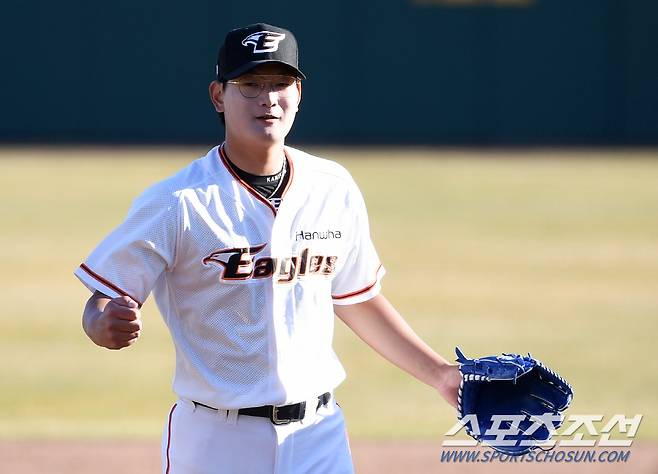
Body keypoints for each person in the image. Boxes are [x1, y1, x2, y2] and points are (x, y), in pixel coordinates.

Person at [75, 22, 461, 474]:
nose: (268, 98)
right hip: (217, 440)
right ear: (219, 96)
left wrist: (441, 374)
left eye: (280, 83)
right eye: (251, 84)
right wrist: (102, 321)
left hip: (319, 434)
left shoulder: (332, 187)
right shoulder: (177, 202)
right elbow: (103, 299)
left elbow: (357, 298)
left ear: (298, 92)